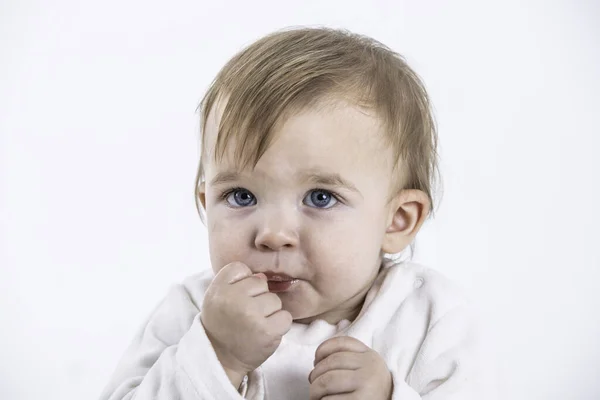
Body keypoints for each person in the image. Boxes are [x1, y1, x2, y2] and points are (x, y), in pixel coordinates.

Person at [99, 26, 491, 400]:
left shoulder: (428, 317)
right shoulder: (193, 311)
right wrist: (216, 356)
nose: (272, 234)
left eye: (320, 197)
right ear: (206, 202)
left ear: (397, 219)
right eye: (240, 196)